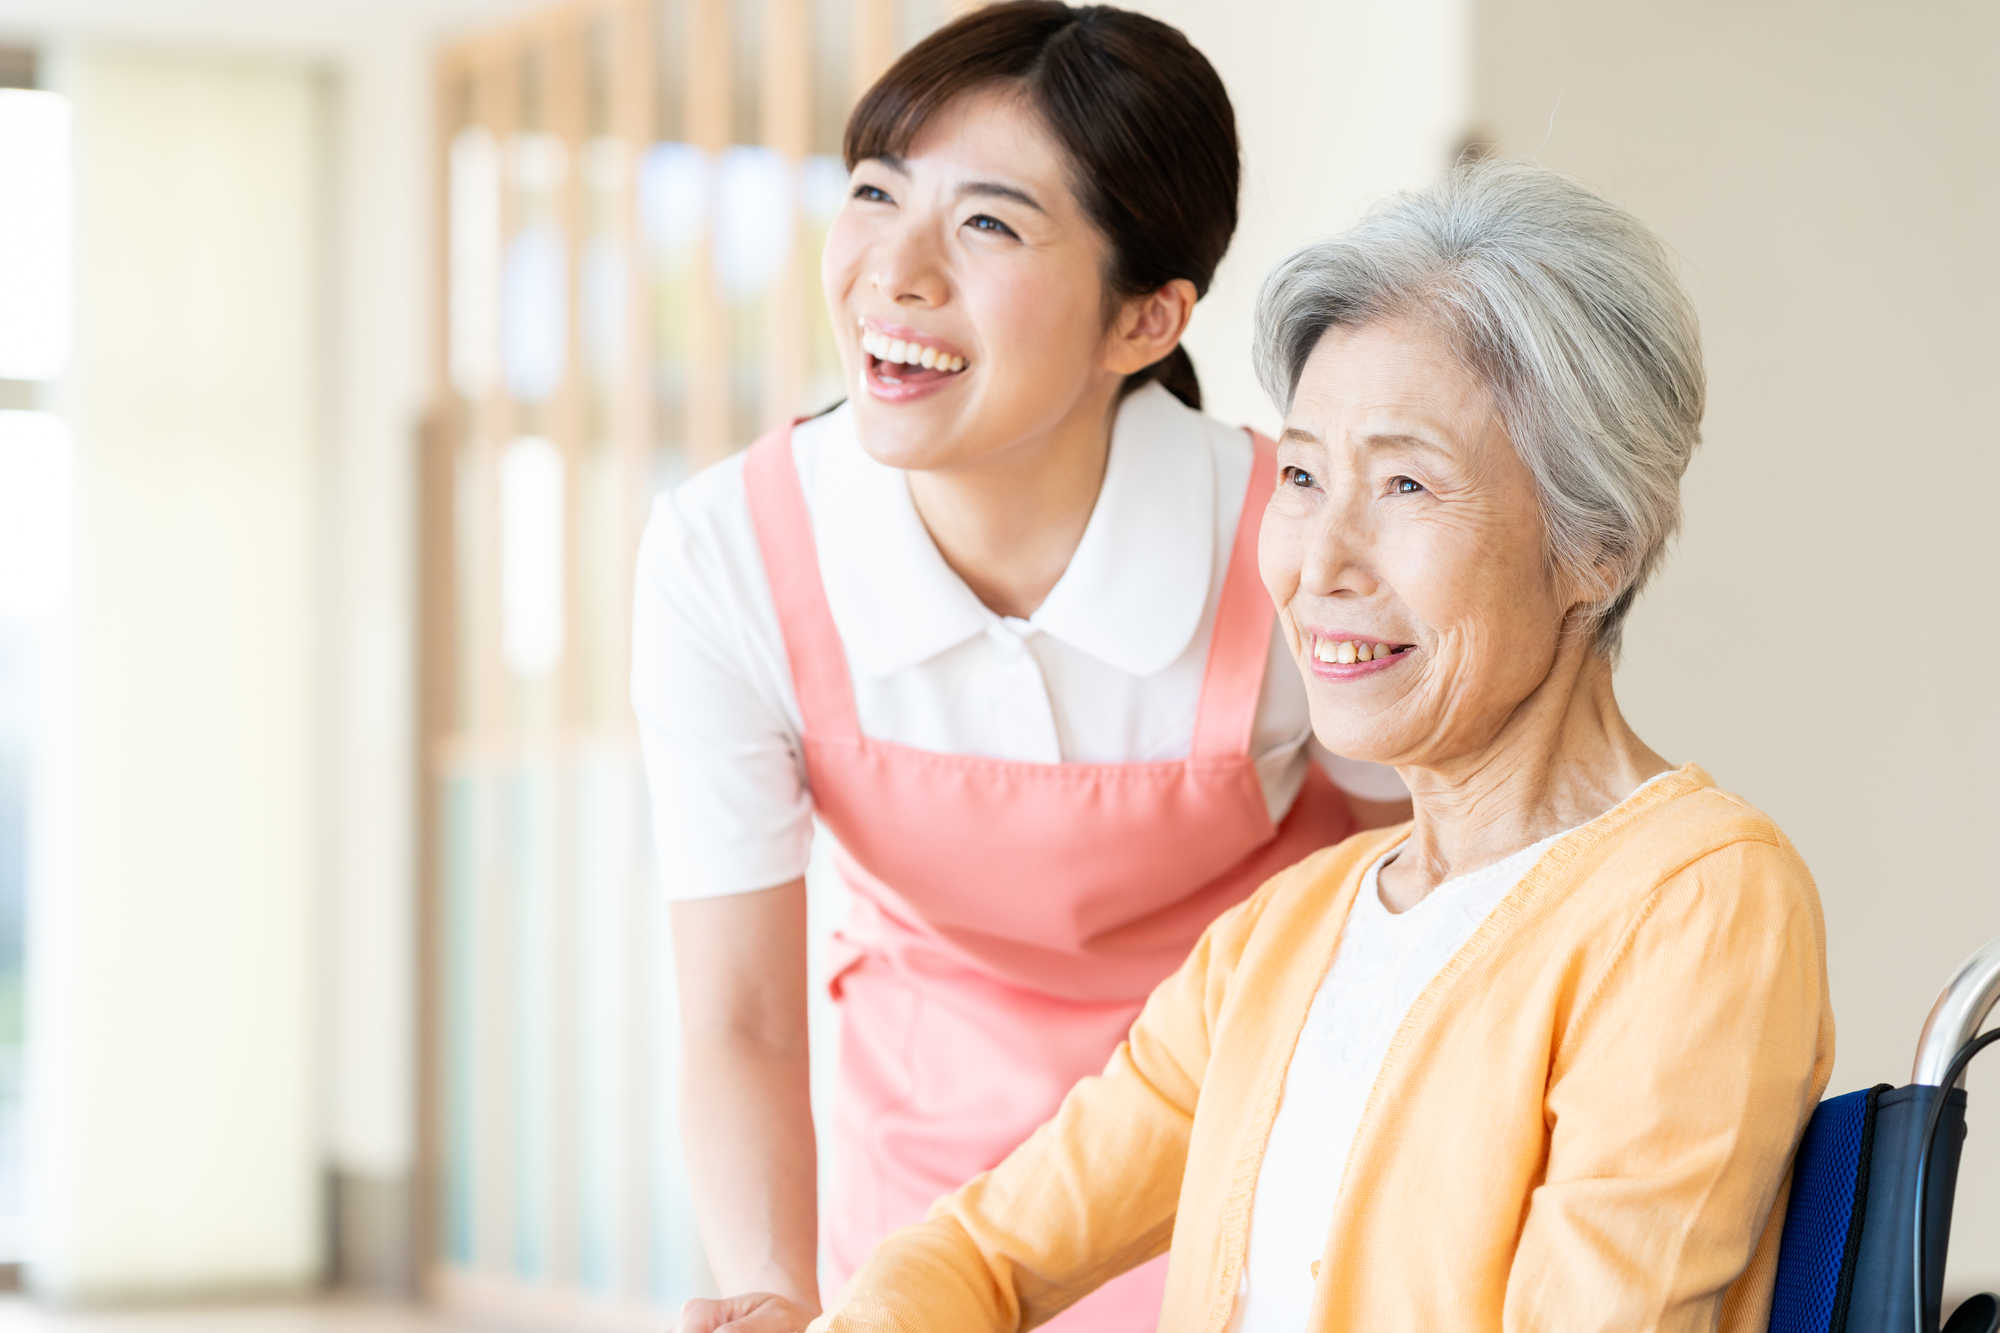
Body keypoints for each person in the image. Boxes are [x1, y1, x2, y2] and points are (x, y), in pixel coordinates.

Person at [801, 159, 1837, 1333]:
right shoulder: (1282, 936)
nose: (1321, 561)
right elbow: (980, 1253)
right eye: (1299, 475)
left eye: (1402, 483)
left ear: (1595, 545)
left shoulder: (1693, 900)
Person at [631, 6, 1412, 1330]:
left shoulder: (1294, 533)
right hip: (930, 1205)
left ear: (1146, 319)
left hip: (1262, 1164)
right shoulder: (730, 554)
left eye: (987, 223)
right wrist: (771, 1291)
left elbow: (1442, 880)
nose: (894, 269)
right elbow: (744, 1015)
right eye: (876, 194)